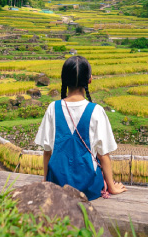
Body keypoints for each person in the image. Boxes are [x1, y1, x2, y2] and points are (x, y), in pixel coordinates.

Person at [35, 56, 126, 200]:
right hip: (88, 189)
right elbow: (103, 156)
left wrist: (46, 180)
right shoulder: (96, 111)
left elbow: (47, 152)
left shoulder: (53, 108)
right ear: (89, 79)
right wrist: (112, 187)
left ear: (63, 79)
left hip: (56, 186)